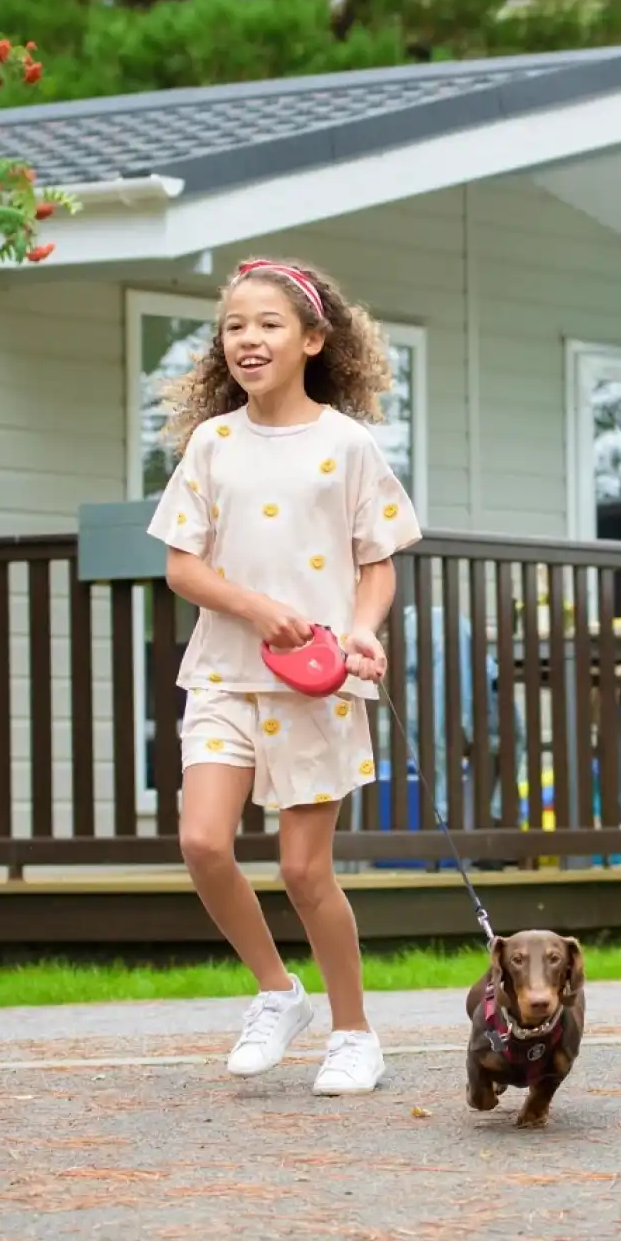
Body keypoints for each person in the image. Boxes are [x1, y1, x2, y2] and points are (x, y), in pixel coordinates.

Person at [149, 258, 423, 1097]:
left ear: (312, 340)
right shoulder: (212, 443)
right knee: (203, 843)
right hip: (225, 675)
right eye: (234, 326)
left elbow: (377, 563)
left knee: (305, 872)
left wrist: (362, 631)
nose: (248, 339)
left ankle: (354, 1033)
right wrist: (257, 609)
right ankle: (277, 991)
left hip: (319, 683)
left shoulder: (348, 444)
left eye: (268, 324)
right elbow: (182, 568)